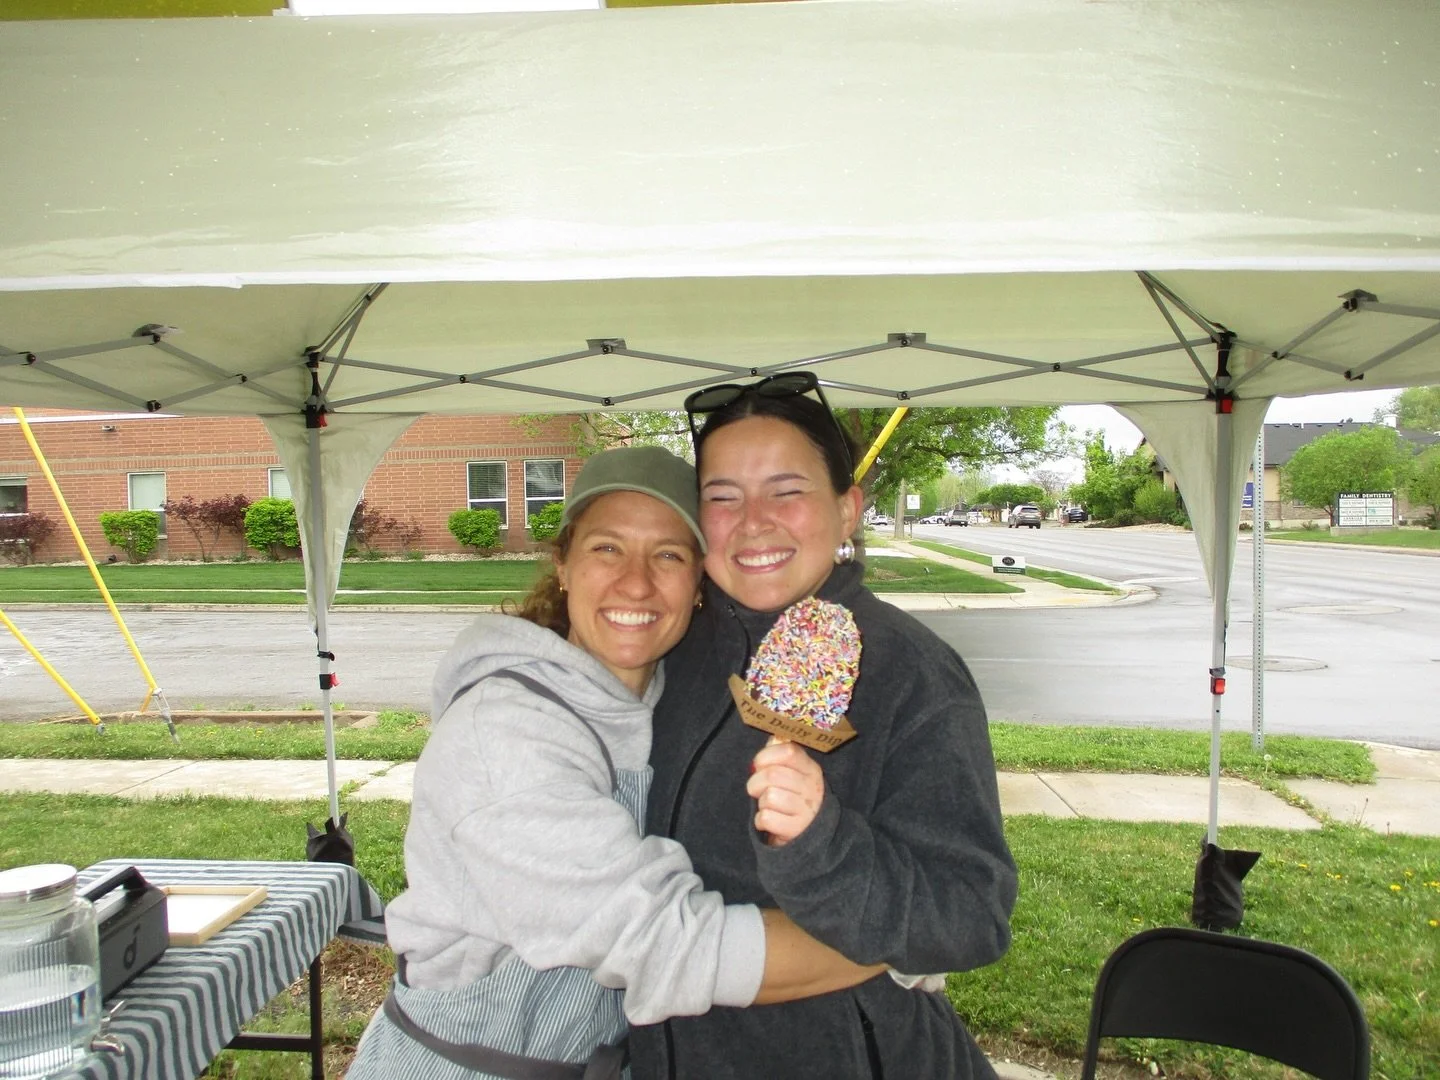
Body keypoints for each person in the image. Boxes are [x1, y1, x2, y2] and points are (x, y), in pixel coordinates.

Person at [347, 445, 884, 1080]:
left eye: (669, 555)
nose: (636, 583)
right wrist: (890, 942)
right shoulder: (504, 730)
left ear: (700, 581)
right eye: (607, 548)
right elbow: (663, 943)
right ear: (564, 565)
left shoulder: (675, 707)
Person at [631, 372, 1019, 1079]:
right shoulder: (670, 648)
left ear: (847, 510)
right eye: (723, 496)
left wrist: (821, 843)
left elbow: (970, 916)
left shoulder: (910, 672)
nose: (754, 521)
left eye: (786, 491)